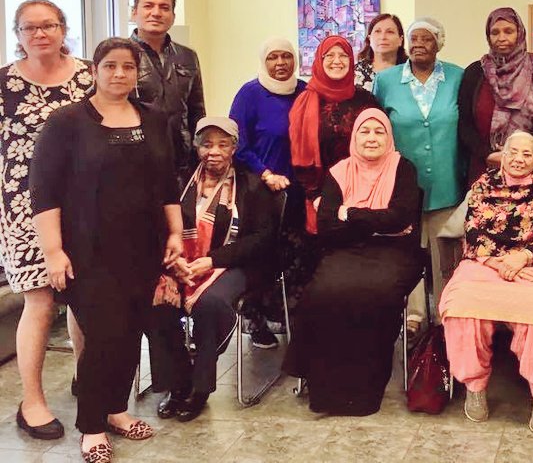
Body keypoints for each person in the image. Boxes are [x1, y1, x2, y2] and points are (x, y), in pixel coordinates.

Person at [30, 38, 182, 463]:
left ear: (137, 72)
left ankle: (116, 410)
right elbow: (43, 192)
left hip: (144, 248)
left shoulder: (154, 119)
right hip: (88, 251)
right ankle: (92, 426)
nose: (119, 74)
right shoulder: (66, 122)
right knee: (103, 336)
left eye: (128, 67)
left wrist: (175, 233)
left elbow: (167, 183)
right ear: (94, 70)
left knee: (131, 332)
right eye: (110, 66)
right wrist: (53, 251)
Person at [284, 109, 424, 415]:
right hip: (344, 250)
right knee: (322, 293)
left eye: (379, 132)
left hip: (395, 251)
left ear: (389, 137)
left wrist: (350, 213)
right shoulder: (339, 172)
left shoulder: (403, 169)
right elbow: (327, 226)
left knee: (376, 295)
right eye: (365, 131)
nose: (372, 138)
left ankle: (365, 388)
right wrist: (375, 222)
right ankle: (324, 387)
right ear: (354, 137)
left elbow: (401, 217)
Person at [440, 131, 533, 434]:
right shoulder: (482, 186)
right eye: (513, 152)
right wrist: (498, 263)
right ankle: (474, 385)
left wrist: (523, 258)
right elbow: (473, 230)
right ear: (503, 156)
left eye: (527, 154)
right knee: (461, 298)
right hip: (487, 262)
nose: (518, 159)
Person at [1, 0, 92, 440]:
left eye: (49, 25)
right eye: (30, 27)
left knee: (84, 296)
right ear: (18, 34)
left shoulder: (90, 76)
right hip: (24, 206)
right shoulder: (3, 84)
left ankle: (87, 380)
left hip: (85, 202)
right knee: (39, 299)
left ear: (63, 29)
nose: (40, 34)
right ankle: (32, 401)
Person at [149, 117, 276, 422]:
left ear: (234, 147)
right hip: (179, 262)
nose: (214, 152)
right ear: (196, 148)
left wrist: (213, 260)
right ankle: (177, 383)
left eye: (222, 144)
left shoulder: (251, 186)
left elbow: (262, 239)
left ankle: (199, 387)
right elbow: (156, 225)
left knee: (210, 304)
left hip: (233, 265)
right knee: (156, 301)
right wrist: (174, 261)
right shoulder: (179, 183)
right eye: (206, 144)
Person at [373, 17, 464, 321]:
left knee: (445, 257)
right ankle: (414, 317)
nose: (419, 44)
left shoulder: (458, 77)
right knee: (406, 252)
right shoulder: (386, 81)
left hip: (447, 183)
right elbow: (376, 128)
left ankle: (445, 317)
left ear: (439, 44)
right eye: (414, 39)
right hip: (403, 186)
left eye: (427, 39)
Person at [228, 37, 307, 347]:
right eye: (273, 57)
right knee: (261, 255)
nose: (280, 63)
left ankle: (283, 311)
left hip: (297, 191)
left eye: (286, 56)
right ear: (264, 61)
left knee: (293, 256)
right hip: (260, 190)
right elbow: (238, 143)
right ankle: (255, 319)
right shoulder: (250, 93)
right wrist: (265, 173)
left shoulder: (304, 92)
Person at [289, 35, 380, 232]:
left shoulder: (366, 100)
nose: (337, 61)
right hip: (320, 194)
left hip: (364, 191)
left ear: (351, 60)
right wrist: (315, 195)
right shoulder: (305, 101)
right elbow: (299, 154)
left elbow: (382, 143)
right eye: (329, 55)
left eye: (343, 55)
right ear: (319, 61)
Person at [457, 7, 533, 185]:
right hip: (485, 166)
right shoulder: (475, 72)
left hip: (530, 167)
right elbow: (465, 124)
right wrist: (488, 154)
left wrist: (520, 151)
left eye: (508, 31)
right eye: (495, 32)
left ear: (520, 33)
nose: (501, 38)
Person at [130, 0, 205, 190]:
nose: (156, 13)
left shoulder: (188, 56)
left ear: (172, 16)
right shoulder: (120, 55)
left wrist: (201, 151)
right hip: (135, 161)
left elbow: (197, 110)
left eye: (164, 8)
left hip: (182, 163)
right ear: (134, 12)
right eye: (148, 6)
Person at [355, 13, 408, 90]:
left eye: (390, 32)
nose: (383, 37)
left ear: (400, 40)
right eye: (377, 31)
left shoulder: (410, 71)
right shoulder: (355, 73)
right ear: (369, 39)